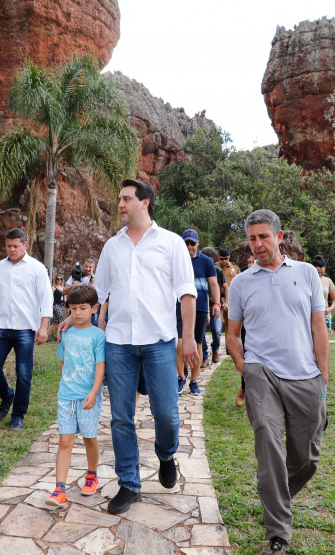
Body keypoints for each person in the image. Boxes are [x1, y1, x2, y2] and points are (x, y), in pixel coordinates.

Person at [61, 178, 199, 515]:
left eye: (126, 199)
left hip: (160, 343)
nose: (120, 204)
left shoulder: (170, 244)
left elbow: (186, 293)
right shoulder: (113, 246)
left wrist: (190, 337)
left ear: (145, 202)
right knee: (121, 417)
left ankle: (166, 455)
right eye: (120, 199)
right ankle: (129, 484)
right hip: (119, 344)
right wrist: (73, 316)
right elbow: (98, 292)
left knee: (166, 413)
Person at [226, 209, 329, 555]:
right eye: (252, 238)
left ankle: (277, 496)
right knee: (269, 447)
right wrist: (245, 366)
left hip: (305, 375)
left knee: (307, 457)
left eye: (263, 237)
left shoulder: (306, 274)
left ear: (279, 236)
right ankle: (278, 533)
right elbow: (233, 335)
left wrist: (323, 376)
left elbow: (318, 328)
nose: (257, 244)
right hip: (261, 373)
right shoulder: (240, 283)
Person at [0, 228, 52, 430]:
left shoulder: (37, 269)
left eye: (15, 246)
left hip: (25, 329)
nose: (11, 250)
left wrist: (43, 328)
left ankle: (18, 414)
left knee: (24, 373)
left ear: (25, 245)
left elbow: (46, 300)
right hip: (0, 327)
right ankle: (7, 396)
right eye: (8, 246)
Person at [46, 285, 106, 507]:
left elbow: (101, 367)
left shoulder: (99, 336)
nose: (78, 313)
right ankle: (59, 489)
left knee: (90, 438)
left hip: (89, 397)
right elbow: (63, 364)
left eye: (83, 308)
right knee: (65, 440)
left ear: (94, 308)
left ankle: (92, 474)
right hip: (67, 396)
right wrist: (64, 387)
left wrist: (93, 392)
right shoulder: (66, 334)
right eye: (73, 308)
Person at [177, 229, 220, 396]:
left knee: (198, 344)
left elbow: (214, 284)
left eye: (192, 243)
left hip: (200, 306)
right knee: (179, 344)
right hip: (179, 305)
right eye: (186, 243)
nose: (189, 246)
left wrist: (216, 303)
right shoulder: (177, 260)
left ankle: (193, 380)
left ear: (198, 243)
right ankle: (180, 377)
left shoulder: (206, 262)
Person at [233, 252, 254, 408]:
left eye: (254, 262)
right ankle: (244, 388)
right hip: (248, 327)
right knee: (248, 359)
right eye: (249, 262)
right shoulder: (242, 281)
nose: (251, 265)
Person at [201, 246, 227, 365]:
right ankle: (204, 356)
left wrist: (226, 302)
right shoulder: (198, 270)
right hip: (201, 306)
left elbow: (225, 287)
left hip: (215, 306)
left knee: (216, 330)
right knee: (200, 333)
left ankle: (215, 349)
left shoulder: (218, 271)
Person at [310, 256, 335, 334]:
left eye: (322, 273)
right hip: (310, 313)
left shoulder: (327, 281)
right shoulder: (306, 280)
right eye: (317, 273)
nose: (319, 275)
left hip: (325, 313)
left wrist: (330, 309)